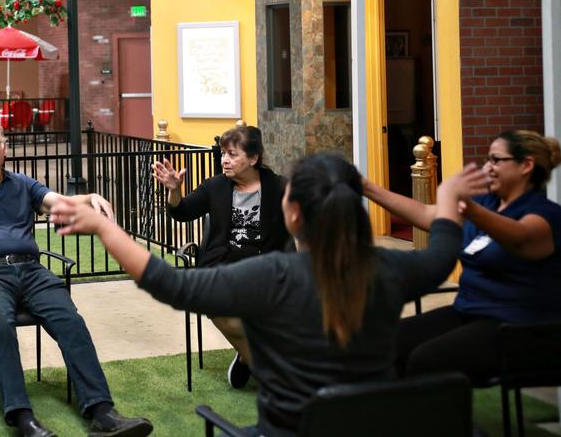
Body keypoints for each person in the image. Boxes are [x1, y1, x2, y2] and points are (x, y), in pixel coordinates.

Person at [51, 153, 487, 436]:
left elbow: (172, 284)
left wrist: (107, 229)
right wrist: (444, 194)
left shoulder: (272, 276)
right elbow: (446, 248)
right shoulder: (394, 269)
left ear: (292, 212)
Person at [0, 121, 153, 437]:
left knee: (70, 320)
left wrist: (90, 197)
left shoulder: (23, 184)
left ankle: (101, 413)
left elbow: (59, 202)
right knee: (1, 325)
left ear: (4, 147)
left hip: (31, 270)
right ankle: (23, 418)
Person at [363, 130, 561, 384]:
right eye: (487, 160)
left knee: (427, 360)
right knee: (384, 344)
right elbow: (426, 213)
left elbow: (520, 237)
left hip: (520, 328)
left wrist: (463, 204)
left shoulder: (545, 215)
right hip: (468, 311)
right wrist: (367, 188)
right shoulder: (487, 203)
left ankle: (438, 423)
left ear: (526, 165)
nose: (487, 167)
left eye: (496, 160)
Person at [151, 125, 290, 388]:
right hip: (222, 267)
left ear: (253, 158)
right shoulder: (215, 187)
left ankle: (250, 357)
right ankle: (264, 369)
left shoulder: (279, 187)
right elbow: (182, 212)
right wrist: (174, 189)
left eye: (232, 154)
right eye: (223, 153)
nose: (224, 160)